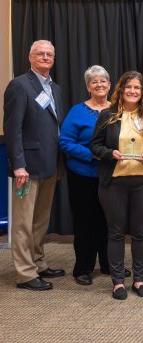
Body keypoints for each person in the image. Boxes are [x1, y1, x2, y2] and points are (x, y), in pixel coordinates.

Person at [90, 71, 143, 300]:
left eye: (137, 87)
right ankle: (117, 282)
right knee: (115, 232)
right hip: (113, 183)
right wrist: (109, 153)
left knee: (140, 232)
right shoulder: (108, 115)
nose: (133, 91)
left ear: (142, 91)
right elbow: (94, 146)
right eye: (129, 87)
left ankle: (139, 279)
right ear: (121, 90)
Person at [4, 40, 65, 291]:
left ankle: (38, 262)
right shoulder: (19, 85)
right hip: (27, 168)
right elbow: (13, 128)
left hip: (50, 165)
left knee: (40, 220)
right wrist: (18, 165)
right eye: (40, 53)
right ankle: (25, 273)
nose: (45, 57)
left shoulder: (55, 89)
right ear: (30, 57)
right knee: (23, 222)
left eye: (49, 54)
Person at [59, 65, 111, 285]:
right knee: (85, 222)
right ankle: (83, 268)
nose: (99, 85)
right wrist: (92, 155)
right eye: (94, 82)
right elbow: (65, 142)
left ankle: (110, 265)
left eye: (103, 81)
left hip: (111, 176)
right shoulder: (77, 111)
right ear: (88, 86)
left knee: (110, 221)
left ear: (109, 84)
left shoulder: (118, 109)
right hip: (83, 175)